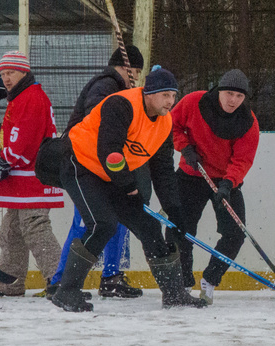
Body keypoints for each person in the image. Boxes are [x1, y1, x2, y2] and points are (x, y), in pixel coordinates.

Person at [50, 66, 206, 312]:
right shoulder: (121, 105)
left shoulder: (165, 124)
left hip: (113, 175)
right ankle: (66, 291)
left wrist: (175, 211)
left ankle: (175, 294)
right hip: (79, 162)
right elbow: (110, 152)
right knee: (103, 224)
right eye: (166, 95)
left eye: (174, 96)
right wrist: (130, 188)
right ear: (149, 93)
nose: (171, 101)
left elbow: (163, 171)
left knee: (149, 226)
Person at [48, 46, 146, 299]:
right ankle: (60, 281)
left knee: (117, 221)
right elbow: (97, 123)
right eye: (134, 72)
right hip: (84, 164)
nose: (135, 78)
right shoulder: (104, 85)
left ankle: (112, 276)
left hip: (106, 166)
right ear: (126, 68)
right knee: (86, 223)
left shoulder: (118, 88)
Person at [169, 69, 260, 305]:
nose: (233, 100)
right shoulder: (193, 102)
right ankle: (182, 283)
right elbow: (171, 125)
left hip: (225, 182)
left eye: (239, 96)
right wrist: (185, 148)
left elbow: (242, 159)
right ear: (219, 91)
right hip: (191, 174)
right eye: (229, 93)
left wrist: (228, 184)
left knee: (235, 233)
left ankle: (210, 279)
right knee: (180, 229)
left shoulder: (248, 122)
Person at [0, 51, 63, 297]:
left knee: (35, 227)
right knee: (12, 230)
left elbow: (25, 140)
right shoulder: (18, 97)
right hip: (22, 175)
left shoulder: (32, 97)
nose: (7, 78)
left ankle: (59, 281)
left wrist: (3, 161)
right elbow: (13, 129)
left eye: (12, 73)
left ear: (24, 72)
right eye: (4, 73)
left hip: (34, 173)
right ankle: (10, 284)